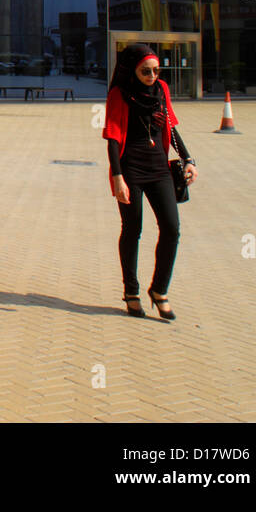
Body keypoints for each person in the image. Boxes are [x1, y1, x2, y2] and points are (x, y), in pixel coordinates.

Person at [101, 44, 198, 320]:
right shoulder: (120, 94)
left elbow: (170, 126)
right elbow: (113, 138)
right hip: (130, 170)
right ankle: (131, 292)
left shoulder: (161, 90)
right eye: (146, 71)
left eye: (156, 70)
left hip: (159, 169)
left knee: (172, 228)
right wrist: (118, 177)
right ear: (133, 69)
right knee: (132, 229)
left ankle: (159, 290)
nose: (152, 76)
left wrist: (188, 159)